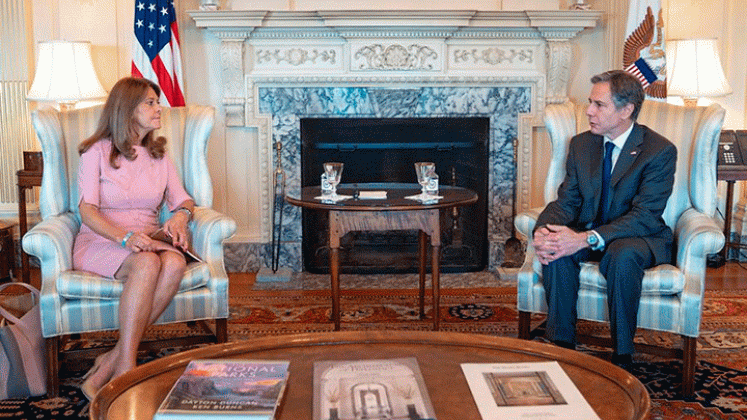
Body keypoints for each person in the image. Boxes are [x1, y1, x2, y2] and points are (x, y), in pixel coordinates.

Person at [533, 70, 676, 369]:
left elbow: (645, 216)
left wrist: (585, 238)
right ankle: (562, 349)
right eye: (590, 103)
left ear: (626, 110)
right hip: (592, 231)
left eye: (599, 105)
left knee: (621, 255)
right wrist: (544, 231)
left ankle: (623, 356)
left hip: (638, 237)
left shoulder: (659, 151)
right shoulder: (582, 144)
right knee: (559, 248)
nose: (588, 111)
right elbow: (567, 201)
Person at [74, 77, 196, 400]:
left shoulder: (159, 156)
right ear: (128, 109)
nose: (159, 108)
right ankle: (127, 368)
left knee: (174, 263)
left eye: (157, 102)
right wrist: (125, 237)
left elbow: (183, 200)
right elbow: (87, 211)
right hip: (102, 240)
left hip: (147, 240)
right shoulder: (95, 152)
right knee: (146, 264)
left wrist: (181, 216)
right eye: (151, 103)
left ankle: (110, 360)